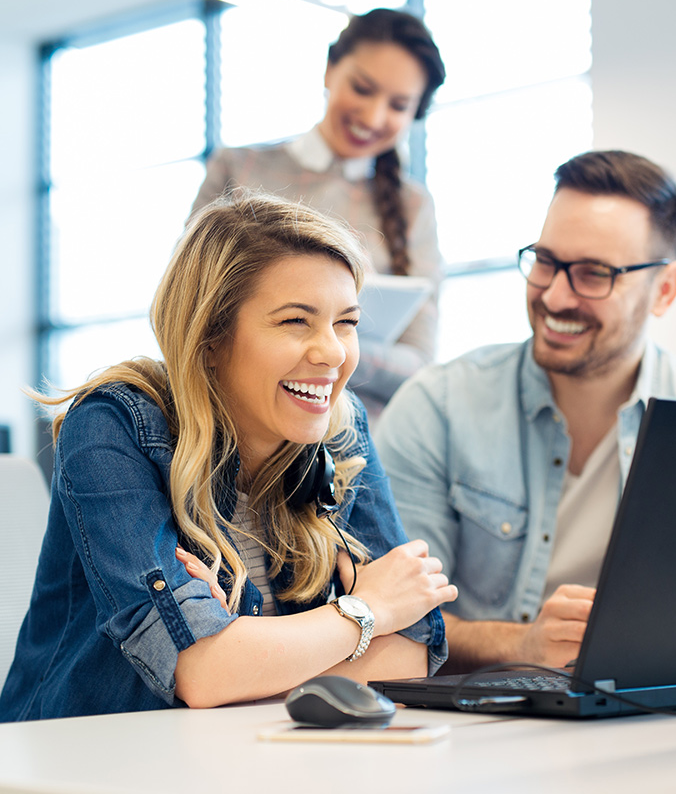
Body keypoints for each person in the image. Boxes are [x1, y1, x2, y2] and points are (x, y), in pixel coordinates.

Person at [0, 191, 457, 722]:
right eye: (295, 322)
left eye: (346, 323)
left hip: (244, 755)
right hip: (81, 757)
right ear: (210, 337)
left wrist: (248, 651)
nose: (333, 351)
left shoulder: (340, 426)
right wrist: (366, 610)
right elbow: (204, 673)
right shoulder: (111, 424)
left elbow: (411, 654)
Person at [374, 150, 676, 674]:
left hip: (658, 720)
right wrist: (522, 644)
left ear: (664, 290)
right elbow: (393, 621)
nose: (554, 295)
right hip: (481, 731)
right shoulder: (437, 406)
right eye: (546, 261)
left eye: (594, 274)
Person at [190, 8, 446, 419]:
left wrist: (324, 342)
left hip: (354, 441)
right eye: (363, 88)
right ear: (330, 69)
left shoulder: (414, 208)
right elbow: (186, 310)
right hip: (232, 423)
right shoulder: (239, 170)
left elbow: (419, 364)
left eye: (398, 105)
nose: (374, 116)